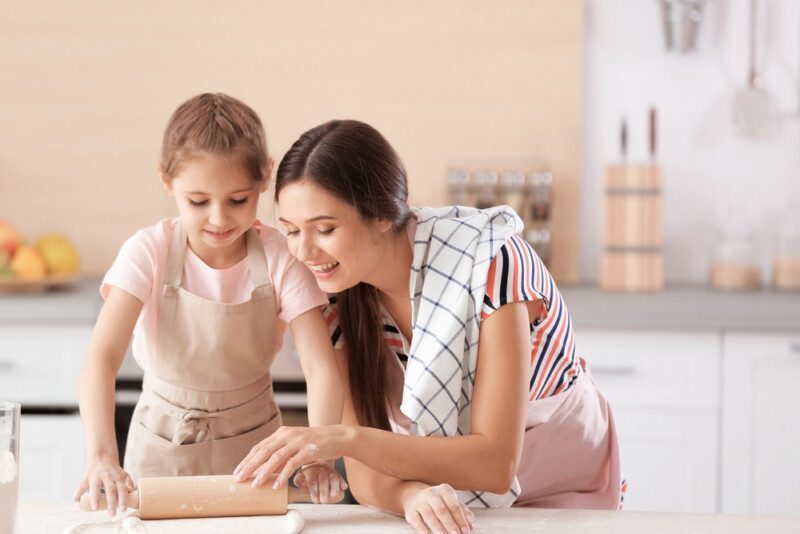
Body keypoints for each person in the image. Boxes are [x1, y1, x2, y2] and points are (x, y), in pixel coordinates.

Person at [234, 119, 624, 534]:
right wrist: (410, 495)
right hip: (451, 495)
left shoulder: (491, 262)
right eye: (291, 231)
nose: (304, 251)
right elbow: (367, 476)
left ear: (381, 216)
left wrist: (341, 439)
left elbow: (495, 463)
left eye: (325, 229)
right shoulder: (332, 295)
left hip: (563, 486)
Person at [74, 94, 346, 516]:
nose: (219, 219)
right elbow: (101, 360)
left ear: (264, 178)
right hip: (159, 451)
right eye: (198, 202)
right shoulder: (148, 251)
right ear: (166, 182)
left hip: (257, 455)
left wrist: (319, 454)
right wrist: (101, 457)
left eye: (238, 200)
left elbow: (321, 367)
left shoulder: (279, 256)